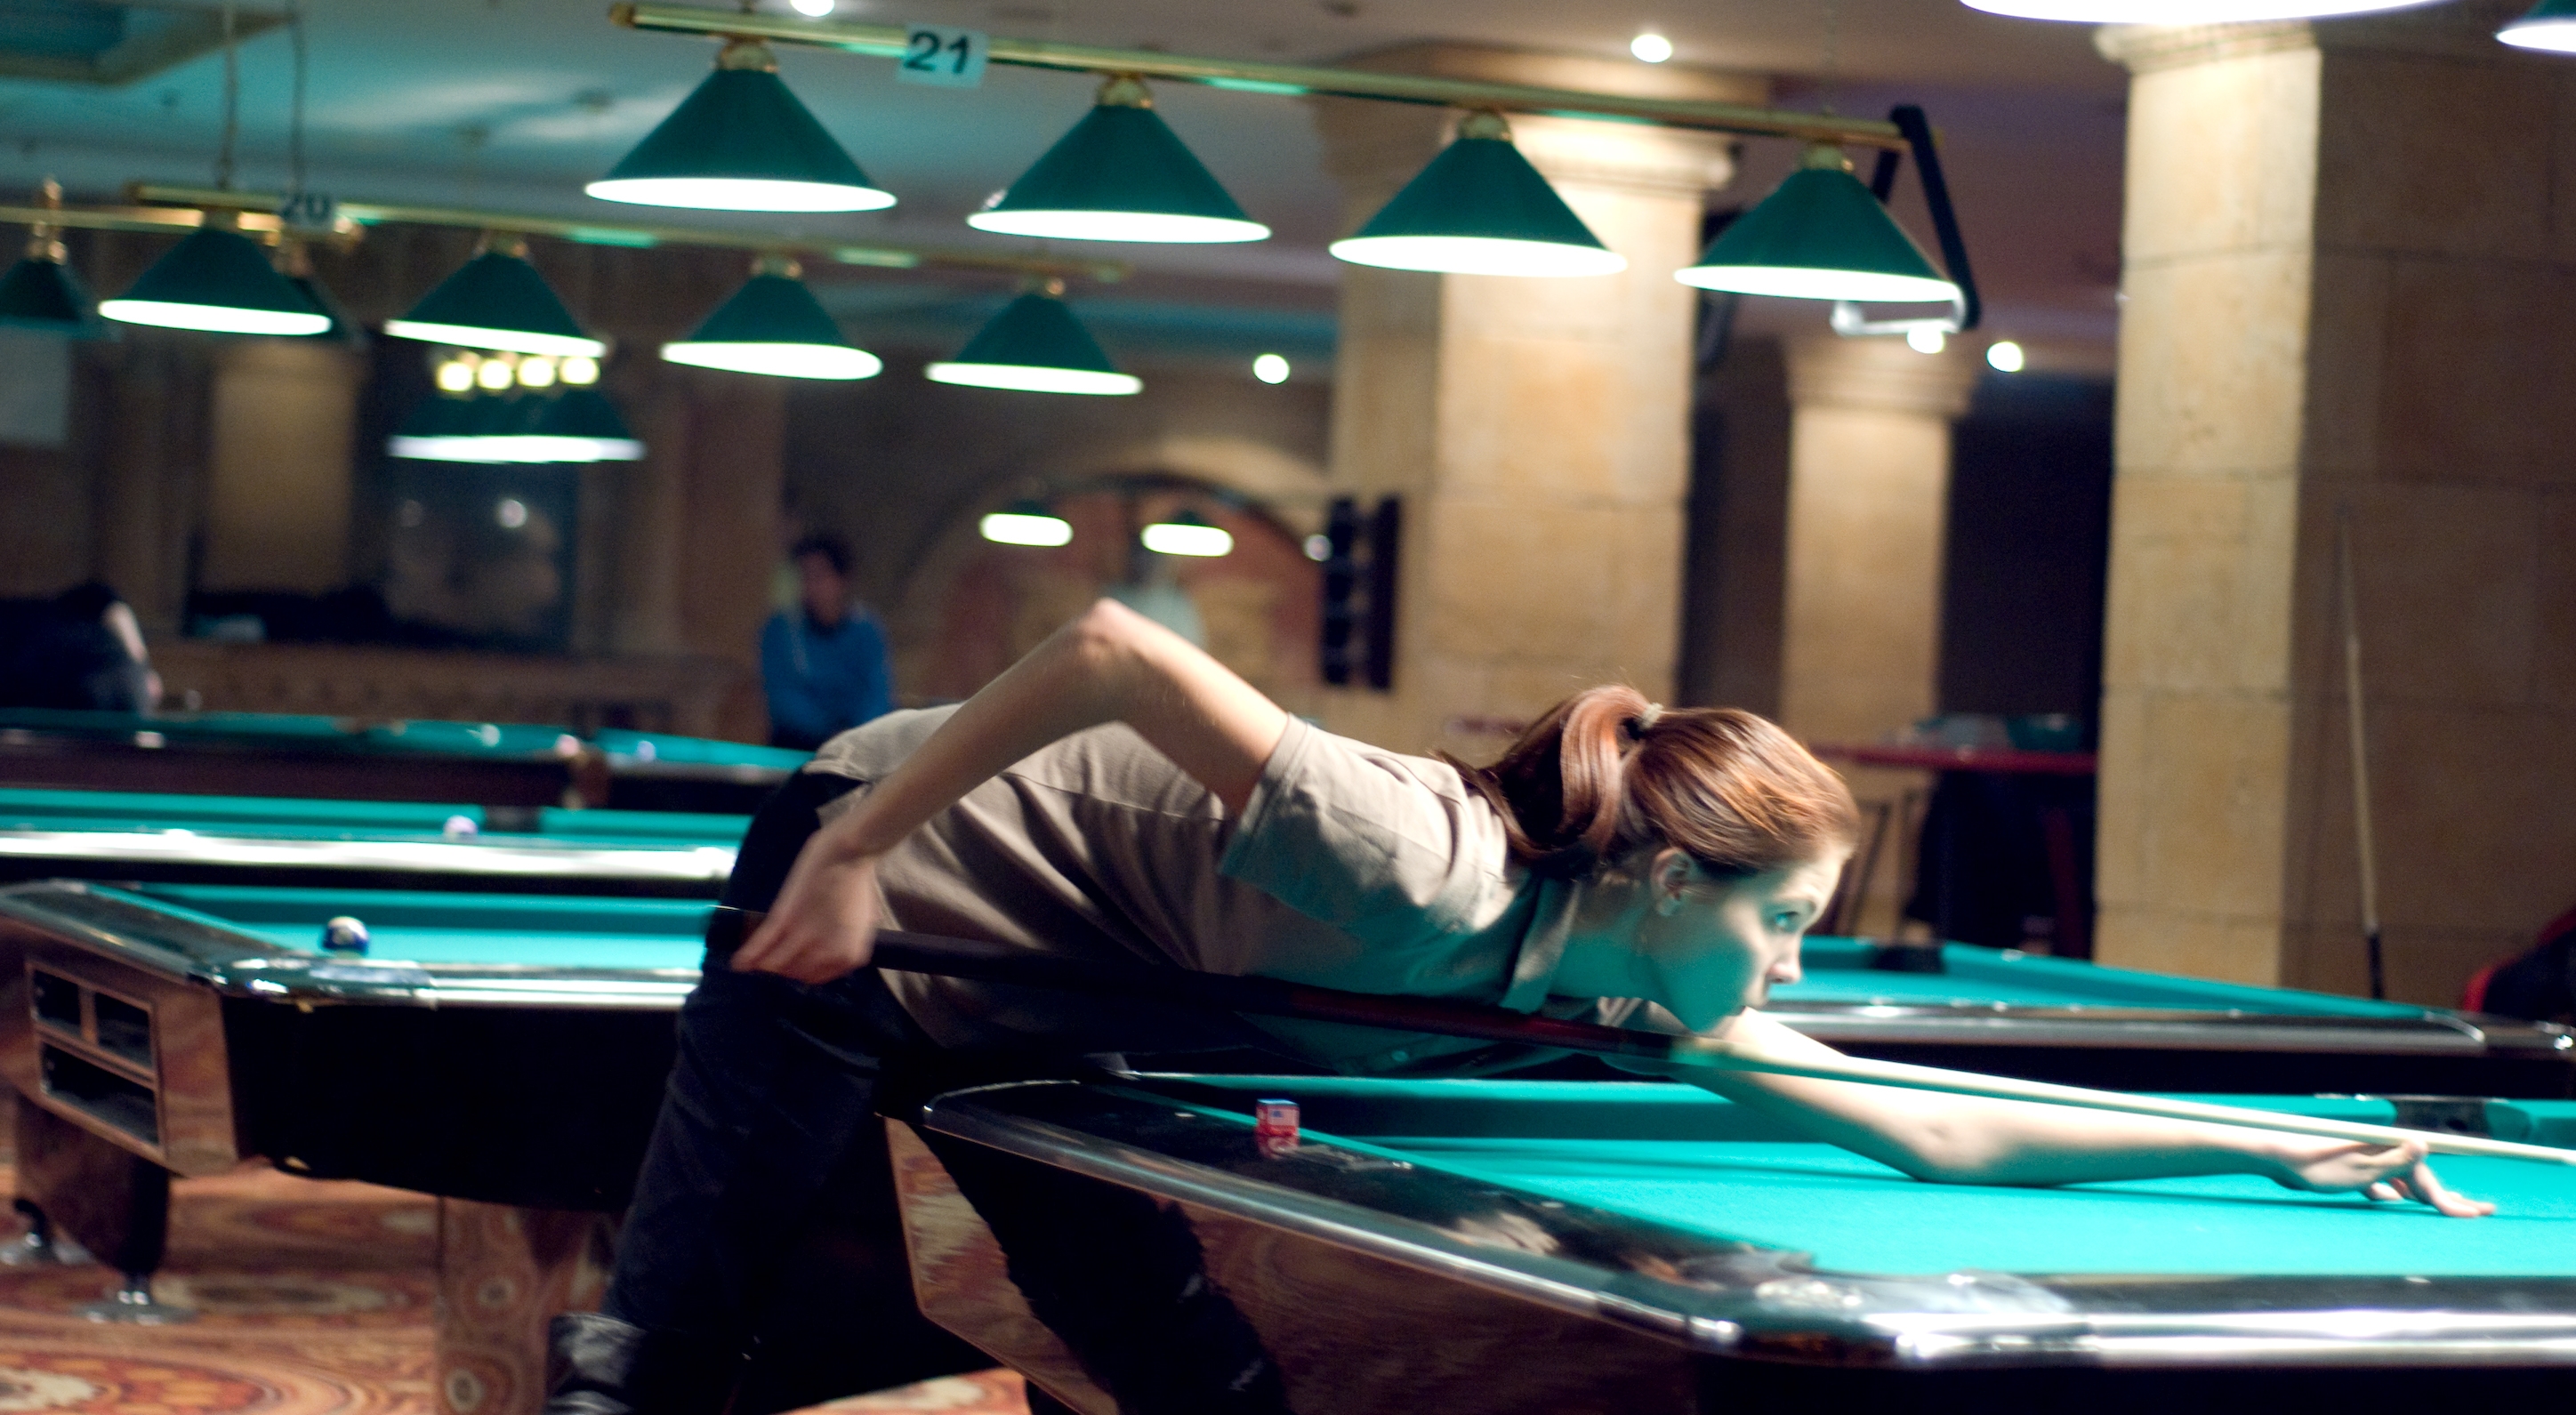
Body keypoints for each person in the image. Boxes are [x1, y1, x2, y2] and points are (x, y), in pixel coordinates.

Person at [548, 599, 2486, 1415]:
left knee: (1195, 1367)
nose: (1796, 968)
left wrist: (2274, 1142)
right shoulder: (1414, 861)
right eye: (1786, 922)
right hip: (866, 883)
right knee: (665, 1348)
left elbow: (1931, 1120)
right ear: (1665, 883)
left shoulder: (1633, 993)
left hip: (1065, 987)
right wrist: (855, 846)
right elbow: (1113, 646)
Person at [757, 534, 893, 752]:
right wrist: (827, 731)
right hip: (799, 745)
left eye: (819, 576)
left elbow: (877, 692)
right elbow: (781, 696)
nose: (811, 585)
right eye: (805, 576)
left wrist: (856, 733)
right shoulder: (782, 629)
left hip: (858, 745)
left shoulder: (866, 629)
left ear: (842, 579)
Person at [0, 582, 159, 714]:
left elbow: (108, 602)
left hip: (104, 675)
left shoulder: (22, 615)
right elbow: (111, 605)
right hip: (90, 688)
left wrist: (142, 663)